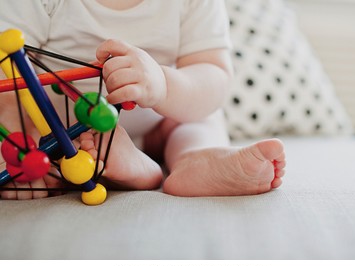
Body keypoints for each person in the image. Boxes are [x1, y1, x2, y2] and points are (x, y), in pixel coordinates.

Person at [0, 0, 285, 200]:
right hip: (54, 131)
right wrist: (17, 148)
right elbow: (6, 69)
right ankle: (133, 168)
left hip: (156, 123)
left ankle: (193, 159)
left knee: (201, 117)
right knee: (16, 111)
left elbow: (214, 75)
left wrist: (163, 84)